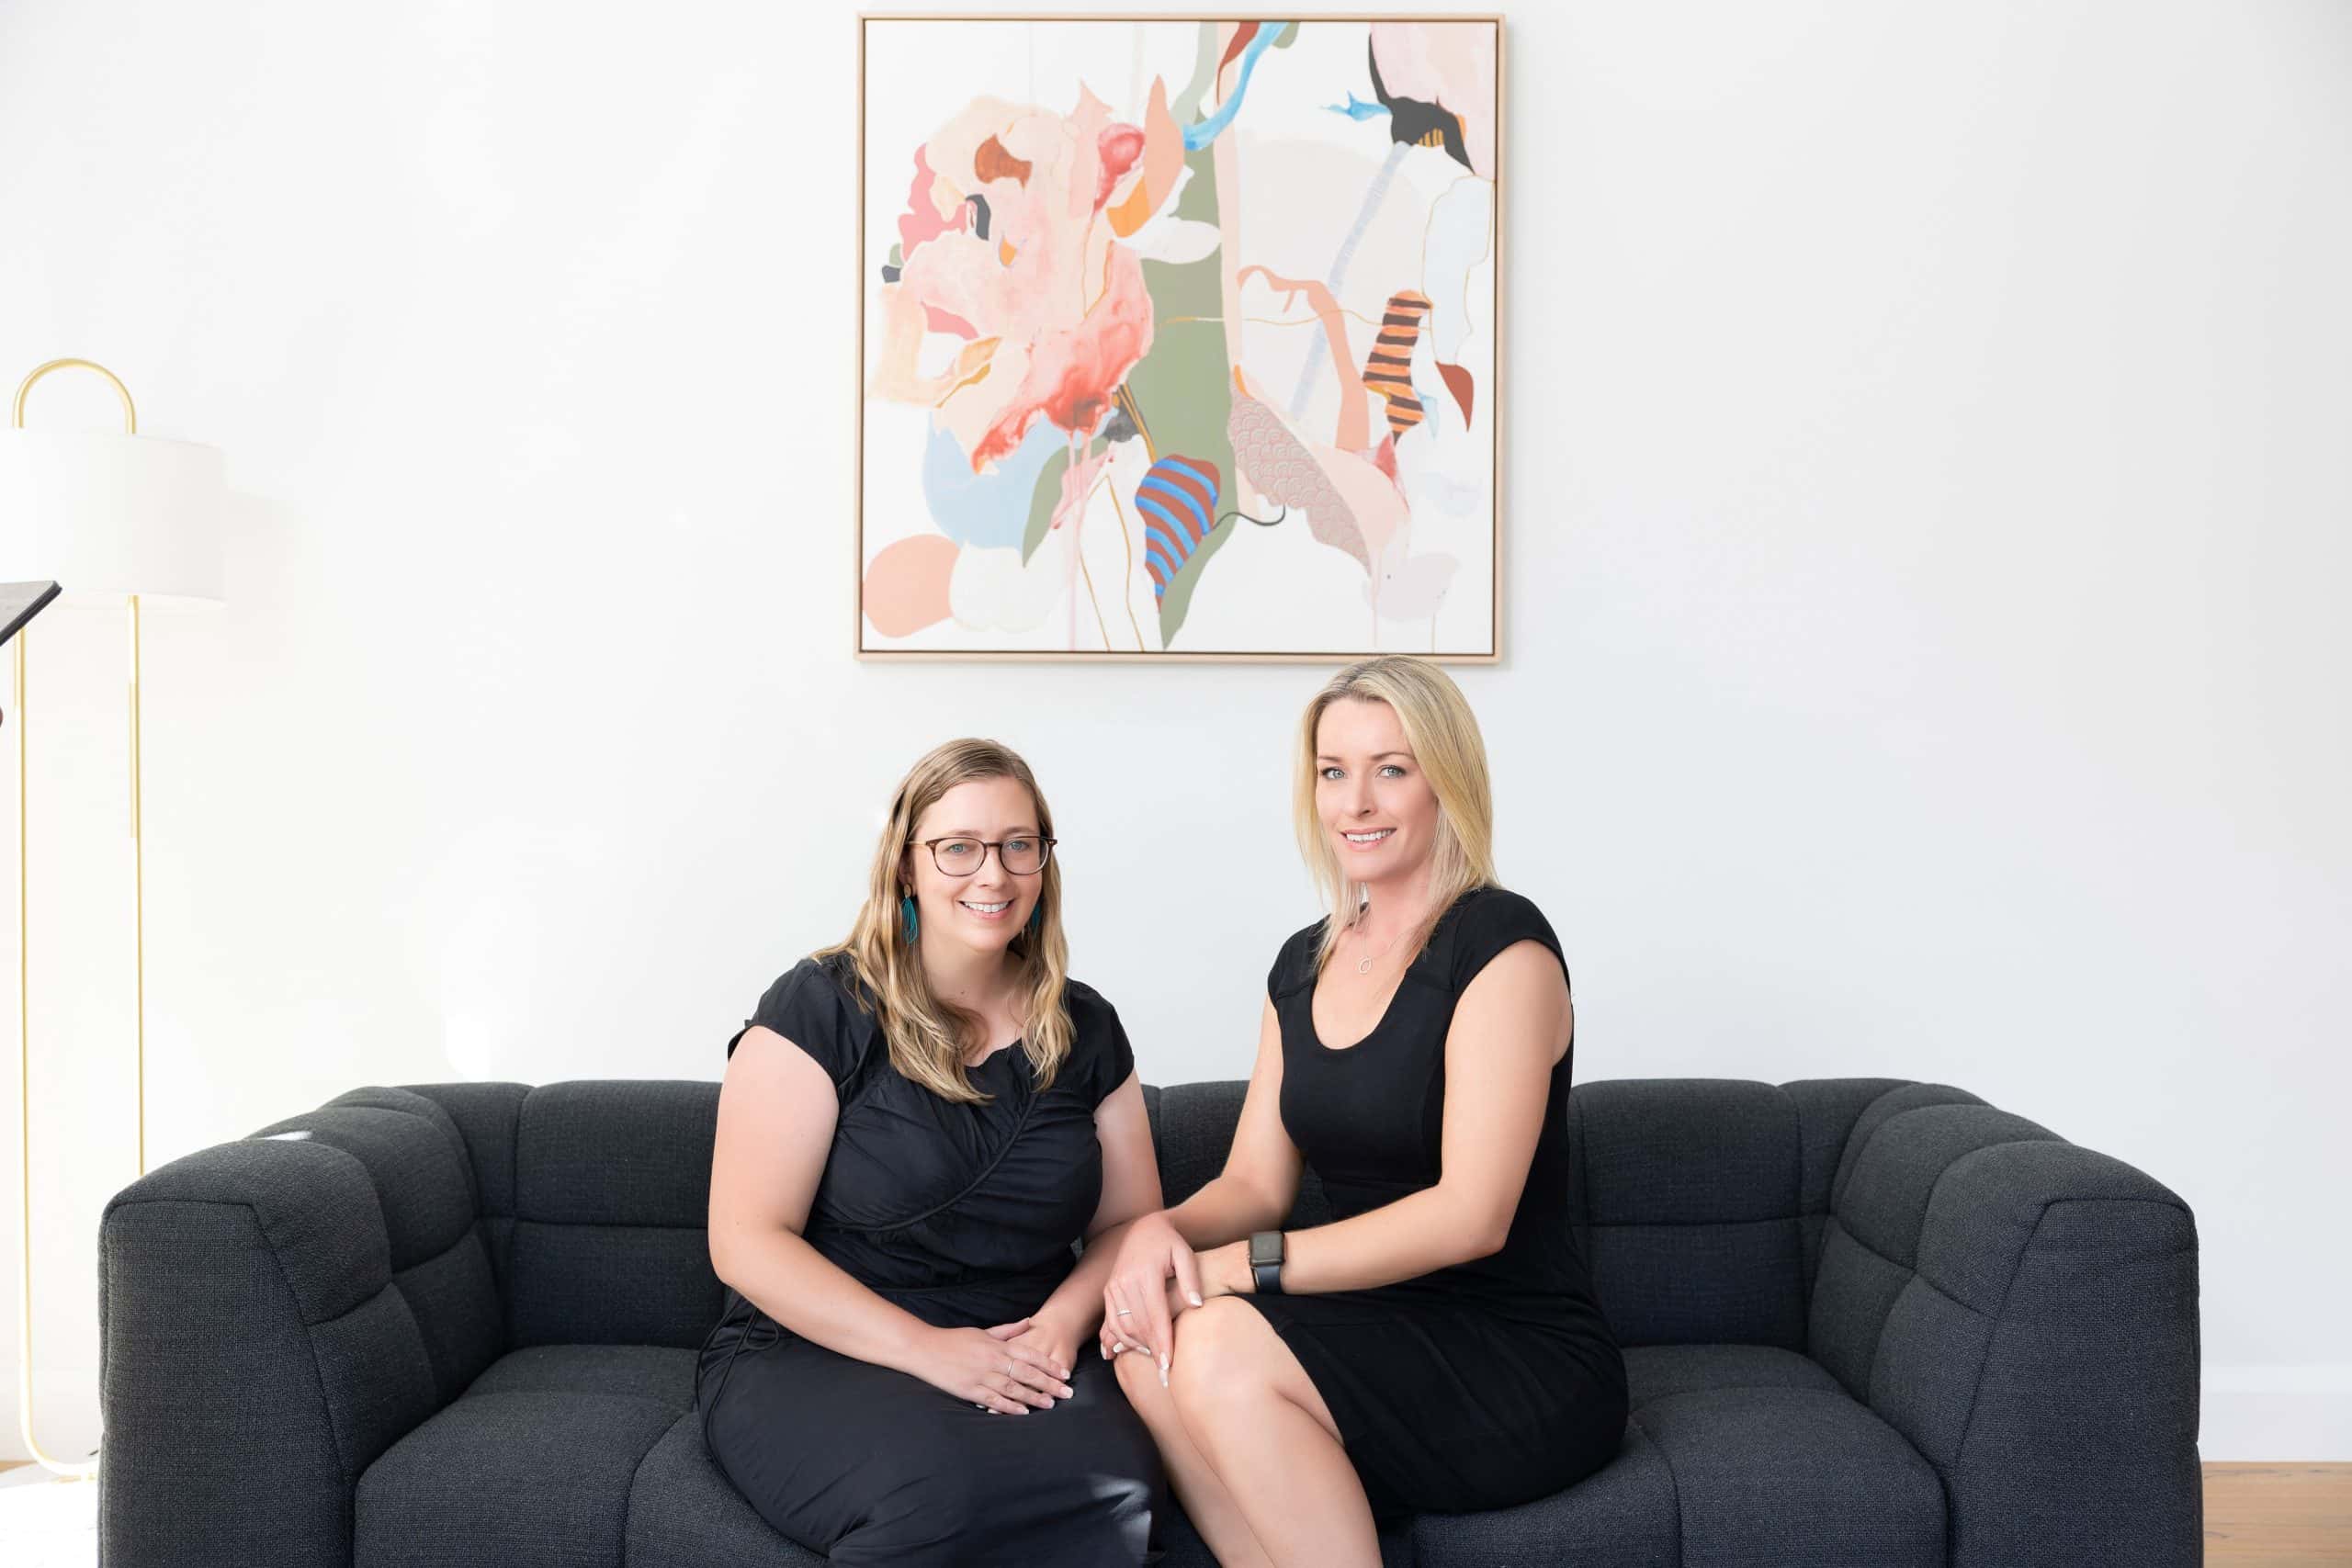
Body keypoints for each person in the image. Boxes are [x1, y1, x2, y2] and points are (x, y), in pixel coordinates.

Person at [1102, 655, 1628, 1567]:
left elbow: (1470, 1215)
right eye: (1332, 772)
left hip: (1516, 1355)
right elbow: (1254, 1182)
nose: (1356, 803)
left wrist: (1238, 1269)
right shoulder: (1301, 964)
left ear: (1444, 780)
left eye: (1391, 769)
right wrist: (1162, 1232)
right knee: (1143, 1346)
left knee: (1215, 1337)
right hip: (1368, 1330)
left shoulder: (1502, 948)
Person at [695, 738, 1164, 1566]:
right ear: (907, 864)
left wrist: (1060, 1326)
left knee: (1119, 1486)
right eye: (959, 847)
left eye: (1019, 845)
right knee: (941, 1495)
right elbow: (745, 1241)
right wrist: (930, 1351)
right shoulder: (819, 1005)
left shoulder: (1087, 1026)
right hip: (822, 1343)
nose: (994, 874)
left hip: (1026, 1340)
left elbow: (1132, 1225)